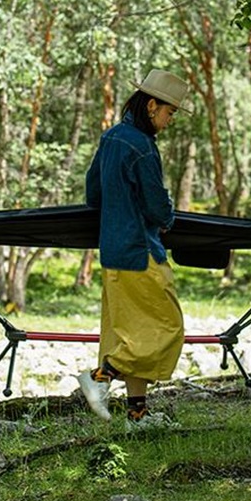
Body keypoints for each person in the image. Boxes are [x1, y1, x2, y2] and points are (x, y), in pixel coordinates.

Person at [78, 68, 189, 426]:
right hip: (140, 251)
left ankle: (137, 416)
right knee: (168, 327)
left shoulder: (111, 137)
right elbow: (157, 204)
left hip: (112, 250)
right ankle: (100, 378)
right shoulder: (142, 146)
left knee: (127, 332)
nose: (169, 121)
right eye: (169, 113)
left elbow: (93, 194)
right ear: (152, 105)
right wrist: (168, 216)